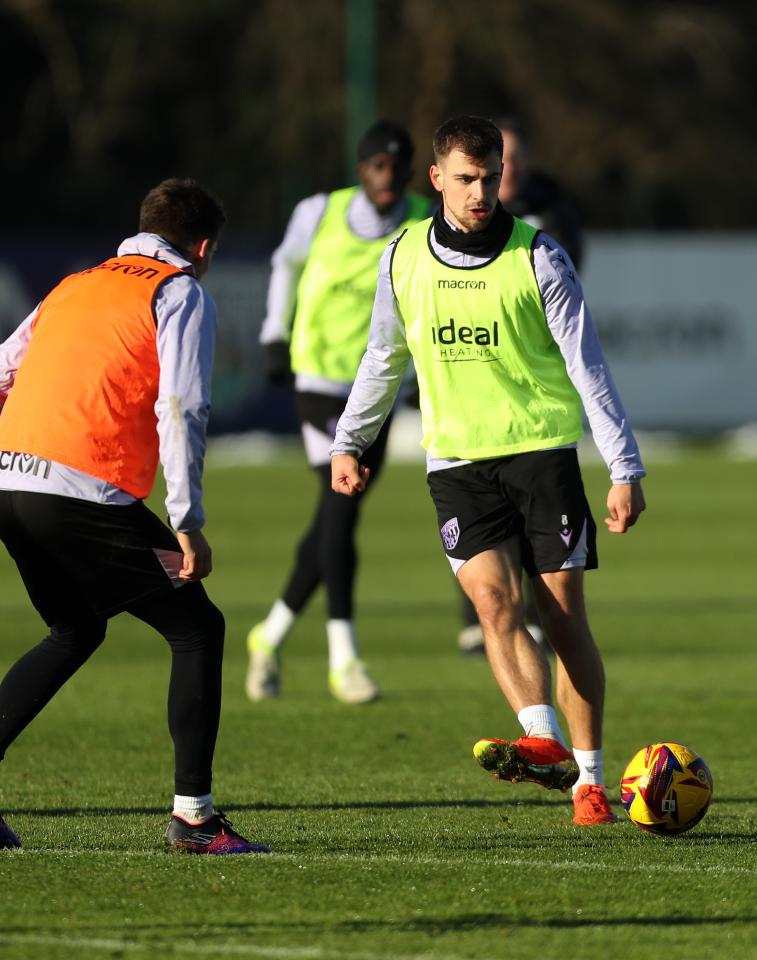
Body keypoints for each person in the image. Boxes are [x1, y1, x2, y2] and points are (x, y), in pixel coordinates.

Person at [0, 178, 268, 856]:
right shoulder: (178, 293)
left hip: (7, 486)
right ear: (204, 247)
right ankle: (195, 819)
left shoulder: (75, 286)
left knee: (75, 629)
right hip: (79, 494)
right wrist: (186, 519)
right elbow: (182, 408)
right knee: (198, 629)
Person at [329, 116, 647, 826]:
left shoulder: (541, 258)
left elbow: (588, 368)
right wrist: (350, 440)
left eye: (490, 177)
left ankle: (590, 781)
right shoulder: (401, 256)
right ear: (436, 179)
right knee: (495, 605)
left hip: (541, 455)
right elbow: (384, 355)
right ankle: (541, 738)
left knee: (561, 620)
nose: (480, 192)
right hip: (457, 462)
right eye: (465, 178)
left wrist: (624, 467)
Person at [247, 122, 432, 705]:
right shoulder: (319, 212)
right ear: (360, 170)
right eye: (378, 166)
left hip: (377, 389)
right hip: (321, 380)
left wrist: (424, 372)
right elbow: (286, 266)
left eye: (397, 168)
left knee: (334, 516)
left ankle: (269, 635)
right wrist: (274, 333)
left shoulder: (424, 218)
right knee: (341, 507)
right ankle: (343, 658)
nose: (387, 177)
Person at [455, 117, 587, 656]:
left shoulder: (547, 217)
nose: (498, 179)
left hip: (532, 390)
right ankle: (475, 617)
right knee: (474, 502)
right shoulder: (442, 230)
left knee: (533, 521)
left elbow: (573, 271)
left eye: (509, 166)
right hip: (472, 390)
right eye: (484, 171)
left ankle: (537, 615)